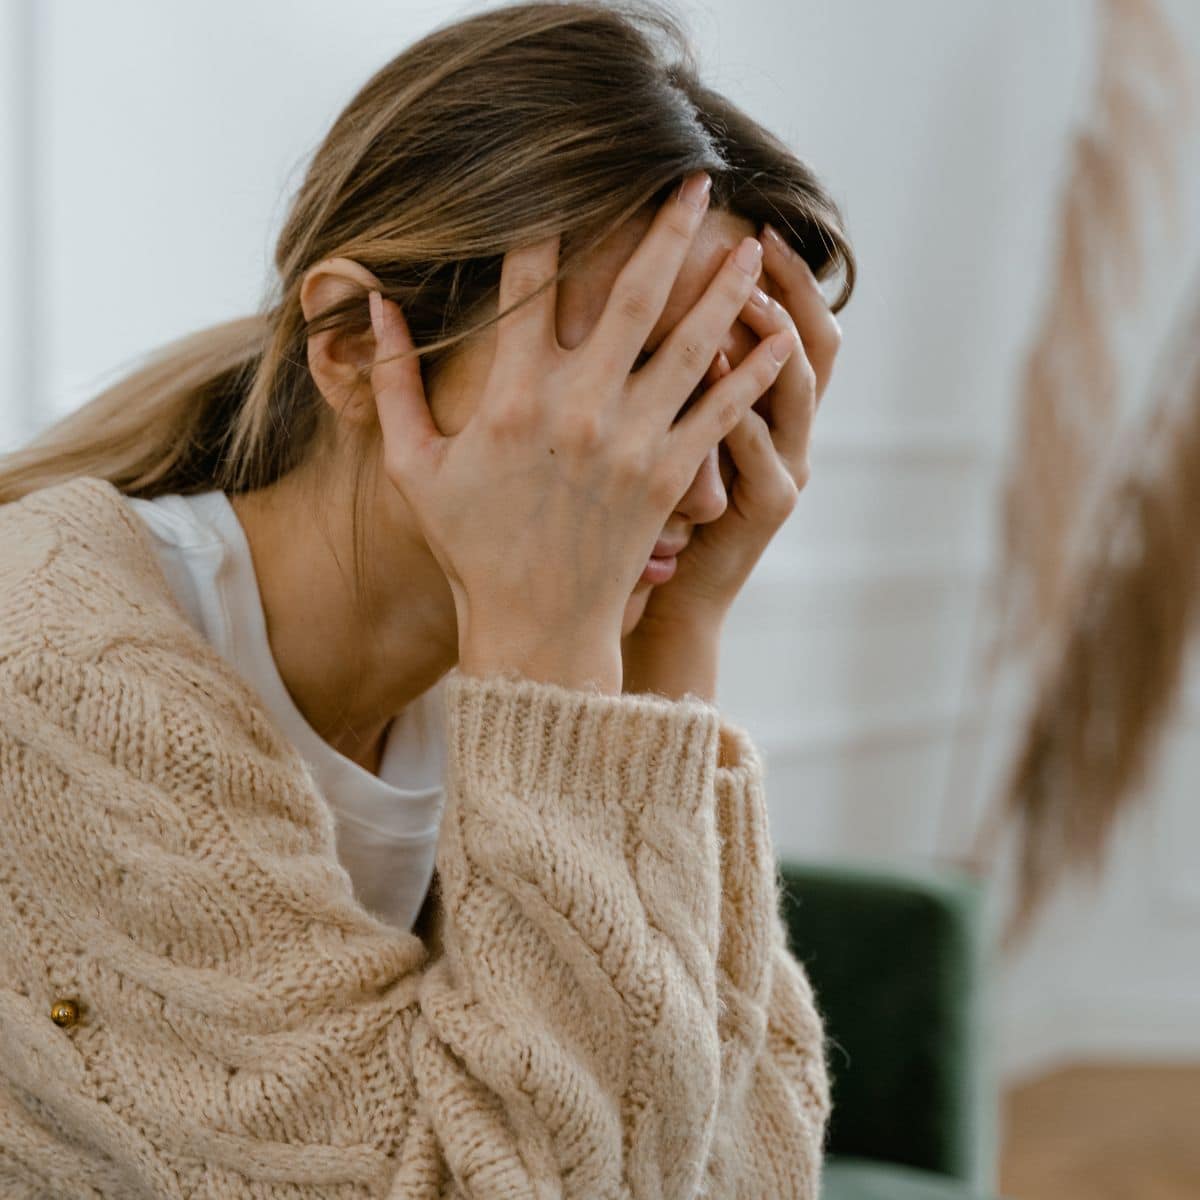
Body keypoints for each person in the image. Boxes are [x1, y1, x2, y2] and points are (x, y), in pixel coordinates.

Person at [0, 2, 854, 1195]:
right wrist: (568, 664)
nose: (696, 483)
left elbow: (743, 1173)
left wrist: (676, 646)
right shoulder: (51, 670)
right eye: (627, 379)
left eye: (738, 402)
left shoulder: (532, 661)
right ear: (354, 344)